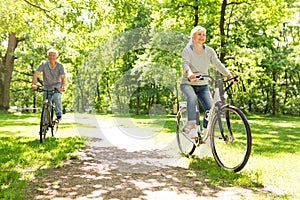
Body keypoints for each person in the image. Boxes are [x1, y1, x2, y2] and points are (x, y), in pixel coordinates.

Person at [180, 26, 234, 138]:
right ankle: (192, 128)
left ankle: (204, 131)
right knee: (192, 98)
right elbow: (185, 64)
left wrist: (229, 75)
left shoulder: (209, 51)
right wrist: (190, 74)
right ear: (193, 37)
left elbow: (218, 64)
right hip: (188, 83)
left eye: (204, 35)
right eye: (199, 34)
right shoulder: (187, 50)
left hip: (203, 84)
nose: (202, 37)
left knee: (210, 110)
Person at [31, 48, 66, 120]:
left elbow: (63, 78)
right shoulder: (43, 64)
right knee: (45, 103)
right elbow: (36, 74)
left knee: (56, 98)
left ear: (57, 57)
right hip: (47, 87)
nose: (52, 57)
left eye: (53, 55)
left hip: (57, 87)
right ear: (47, 57)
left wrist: (62, 87)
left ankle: (59, 114)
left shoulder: (60, 66)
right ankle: (45, 122)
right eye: (50, 55)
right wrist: (34, 84)